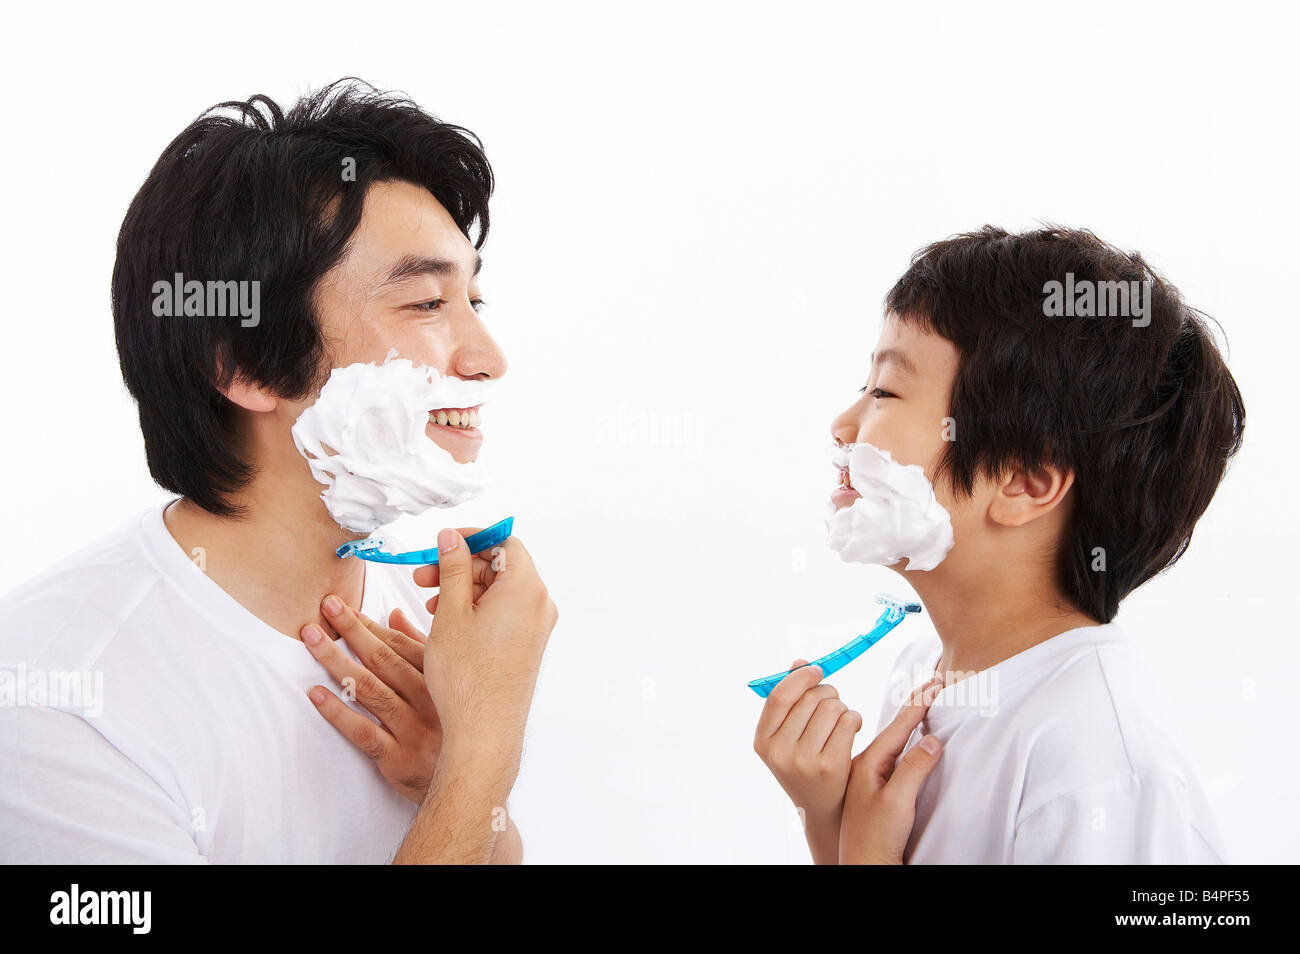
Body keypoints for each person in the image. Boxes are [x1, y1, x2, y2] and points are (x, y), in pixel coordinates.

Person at [0, 80, 554, 864]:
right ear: (248, 365)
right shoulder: (58, 698)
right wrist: (483, 751)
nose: (488, 360)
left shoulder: (428, 625)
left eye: (475, 298)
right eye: (429, 303)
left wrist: (450, 777)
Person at [757, 226, 1243, 864]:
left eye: (885, 391)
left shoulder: (1097, 762)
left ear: (1023, 483)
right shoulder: (922, 672)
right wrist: (828, 816)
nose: (843, 424)